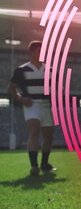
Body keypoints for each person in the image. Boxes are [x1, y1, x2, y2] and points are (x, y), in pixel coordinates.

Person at [7, 40, 56, 176]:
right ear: (32, 52)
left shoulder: (50, 70)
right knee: (34, 131)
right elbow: (11, 88)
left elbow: (56, 88)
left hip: (46, 106)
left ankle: (45, 164)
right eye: (40, 51)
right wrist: (21, 99)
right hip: (32, 104)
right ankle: (34, 166)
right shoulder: (22, 70)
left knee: (49, 137)